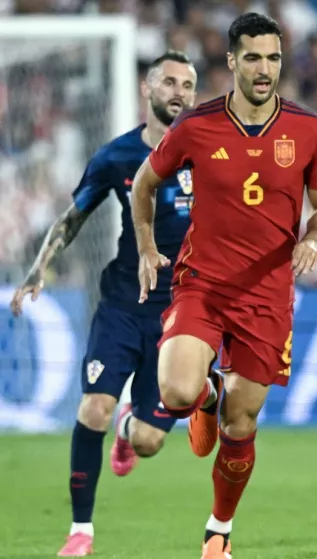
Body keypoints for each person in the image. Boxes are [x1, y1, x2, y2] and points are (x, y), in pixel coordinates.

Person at [130, 14, 317, 559]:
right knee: (174, 393)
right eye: (252, 58)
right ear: (231, 62)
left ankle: (219, 528)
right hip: (202, 285)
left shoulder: (309, 130)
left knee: (240, 422)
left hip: (267, 298)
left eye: (272, 58)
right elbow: (144, 185)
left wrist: (312, 239)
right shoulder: (196, 126)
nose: (263, 70)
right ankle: (204, 392)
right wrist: (148, 247)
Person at [9, 51, 197, 557]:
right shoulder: (117, 156)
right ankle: (81, 531)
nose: (179, 92)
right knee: (92, 408)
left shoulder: (207, 154)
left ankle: (130, 425)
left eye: (188, 85)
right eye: (170, 82)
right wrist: (36, 270)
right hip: (122, 304)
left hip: (182, 314)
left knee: (148, 443)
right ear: (147, 89)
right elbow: (74, 215)